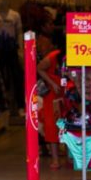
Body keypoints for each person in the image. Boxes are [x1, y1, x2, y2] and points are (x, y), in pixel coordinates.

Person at [36, 29, 65, 170]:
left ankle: (66, 156)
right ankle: (55, 160)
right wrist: (52, 83)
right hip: (52, 97)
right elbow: (39, 68)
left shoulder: (67, 57)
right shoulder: (54, 56)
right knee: (52, 127)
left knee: (66, 126)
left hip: (63, 96)